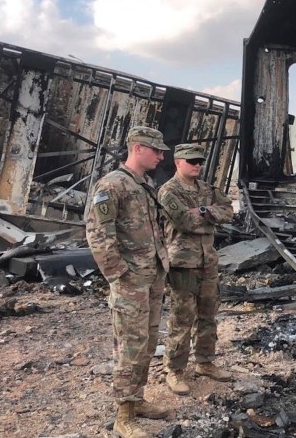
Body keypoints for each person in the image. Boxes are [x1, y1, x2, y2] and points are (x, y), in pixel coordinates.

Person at [86, 126, 171, 438]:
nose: (161, 156)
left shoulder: (144, 184)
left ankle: (137, 400)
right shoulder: (112, 185)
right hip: (131, 281)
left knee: (147, 342)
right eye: (156, 150)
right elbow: (98, 235)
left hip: (152, 277)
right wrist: (120, 275)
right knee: (130, 347)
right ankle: (124, 416)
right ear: (137, 148)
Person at [158, 143, 235, 395]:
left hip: (208, 262)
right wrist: (208, 217)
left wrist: (203, 210)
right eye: (191, 161)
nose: (197, 165)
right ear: (177, 162)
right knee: (182, 318)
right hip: (182, 264)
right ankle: (175, 370)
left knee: (208, 315)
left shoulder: (206, 189)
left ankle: (205, 362)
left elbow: (228, 211)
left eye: (199, 161)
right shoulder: (168, 191)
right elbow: (184, 221)